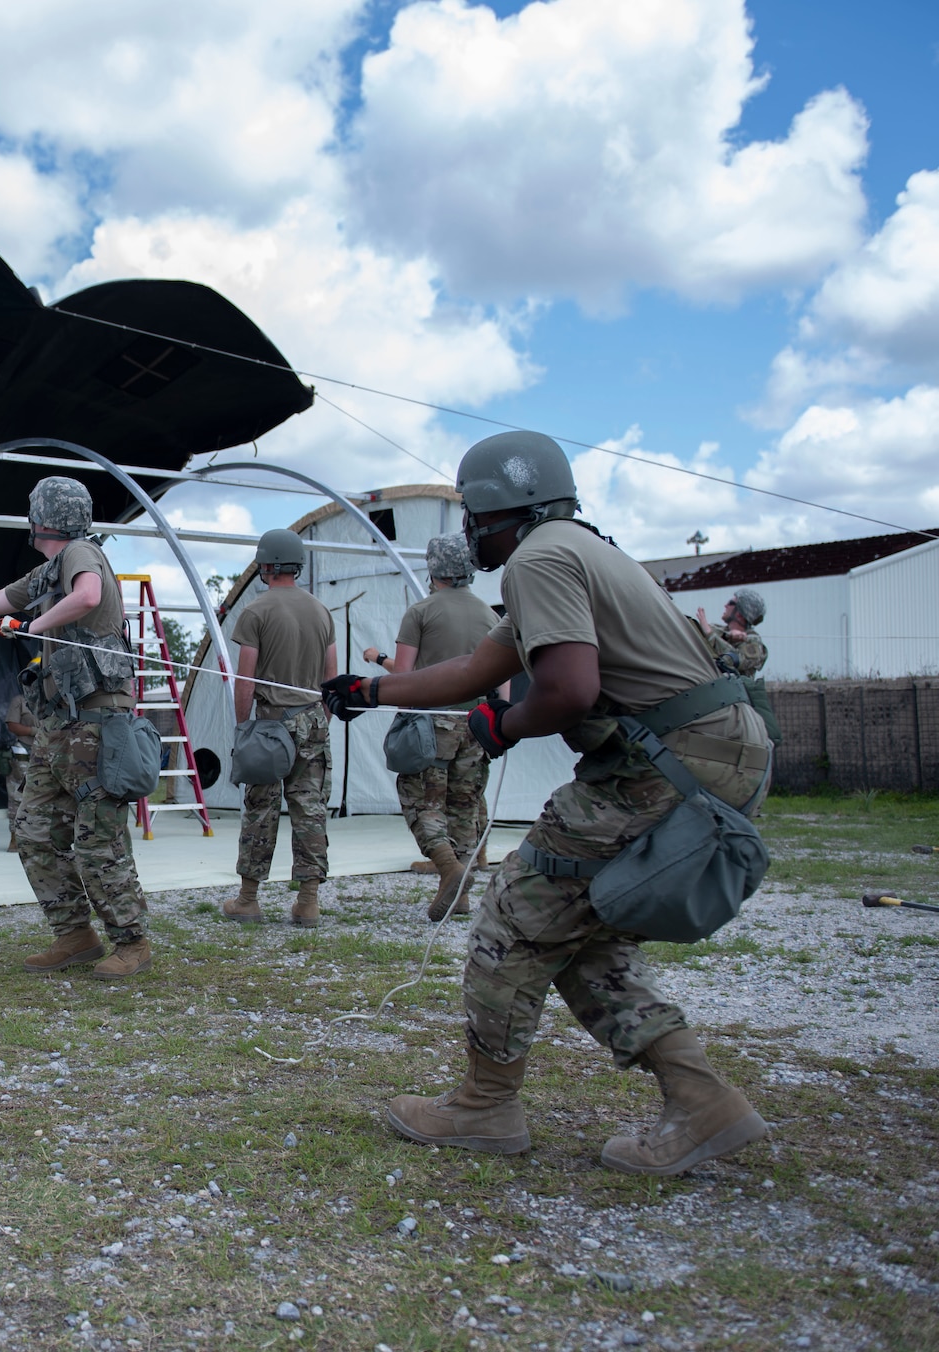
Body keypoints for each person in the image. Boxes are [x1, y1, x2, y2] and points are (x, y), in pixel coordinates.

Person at [322, 430, 772, 1177]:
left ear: (503, 510)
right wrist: (368, 692)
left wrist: (506, 723)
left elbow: (567, 692)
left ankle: (484, 1106)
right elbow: (474, 668)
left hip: (673, 759)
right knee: (578, 936)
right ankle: (703, 1103)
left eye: (473, 513)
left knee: (515, 913)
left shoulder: (539, 558)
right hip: (707, 753)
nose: (467, 530)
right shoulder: (573, 550)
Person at [0, 476, 152, 979]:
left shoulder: (79, 555)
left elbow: (87, 596)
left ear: (41, 515)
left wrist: (32, 628)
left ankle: (131, 943)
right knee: (34, 830)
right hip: (57, 729)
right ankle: (75, 935)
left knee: (97, 841)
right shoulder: (49, 572)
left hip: (94, 728)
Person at [363, 533, 500, 920]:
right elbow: (501, 681)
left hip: (430, 723)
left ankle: (448, 867)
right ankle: (461, 894)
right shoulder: (491, 616)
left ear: (434, 568)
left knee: (420, 800)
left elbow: (403, 677)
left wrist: (401, 716)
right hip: (475, 722)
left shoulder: (421, 612)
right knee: (465, 805)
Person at [223, 529, 337, 928]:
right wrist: (319, 718)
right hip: (313, 720)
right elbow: (331, 676)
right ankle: (308, 903)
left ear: (265, 565)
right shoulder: (322, 611)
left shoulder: (256, 611)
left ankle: (248, 899)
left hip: (272, 724)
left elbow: (246, 679)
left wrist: (243, 729)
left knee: (260, 809)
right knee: (310, 810)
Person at [696, 589, 768, 678]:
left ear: (740, 613)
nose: (725, 605)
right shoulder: (720, 630)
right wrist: (726, 635)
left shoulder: (753, 642)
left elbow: (730, 660)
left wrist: (710, 635)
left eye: (730, 603)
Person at [0, 685, 36, 852]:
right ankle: (15, 838)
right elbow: (12, 725)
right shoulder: (20, 700)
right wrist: (35, 730)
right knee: (18, 795)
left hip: (48, 752)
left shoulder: (53, 699)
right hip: (23, 751)